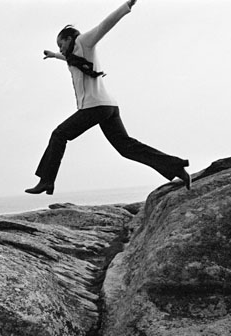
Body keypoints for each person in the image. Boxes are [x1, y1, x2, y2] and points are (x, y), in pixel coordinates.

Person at [25, 0, 191, 195]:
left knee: (59, 134)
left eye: (61, 44)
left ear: (70, 39)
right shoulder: (73, 56)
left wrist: (127, 5)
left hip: (96, 107)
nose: (61, 49)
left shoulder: (84, 42)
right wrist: (54, 55)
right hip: (108, 107)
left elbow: (104, 25)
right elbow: (70, 59)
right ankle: (177, 168)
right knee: (126, 147)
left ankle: (46, 181)